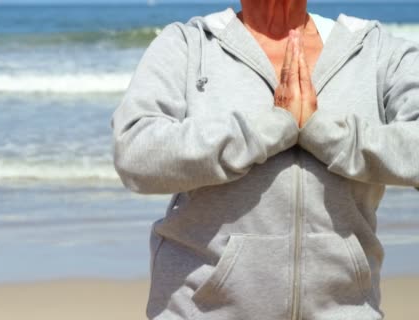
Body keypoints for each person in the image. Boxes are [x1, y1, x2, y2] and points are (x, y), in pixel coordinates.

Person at [110, 0, 419, 319]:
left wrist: (321, 131)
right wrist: (271, 128)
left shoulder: (374, 50)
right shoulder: (190, 45)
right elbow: (135, 154)